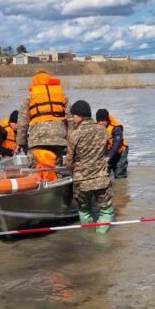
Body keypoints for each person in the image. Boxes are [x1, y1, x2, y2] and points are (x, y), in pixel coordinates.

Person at [65, 100, 114, 234]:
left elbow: (69, 160)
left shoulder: (75, 133)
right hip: (101, 178)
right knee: (106, 209)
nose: (72, 119)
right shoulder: (103, 130)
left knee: (84, 208)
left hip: (82, 180)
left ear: (79, 116)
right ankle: (101, 235)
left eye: (73, 116)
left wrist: (71, 170)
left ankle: (88, 234)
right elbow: (105, 150)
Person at [16, 71, 68, 160]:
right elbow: (71, 118)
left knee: (35, 170)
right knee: (54, 169)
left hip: (37, 139)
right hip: (59, 140)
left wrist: (21, 142)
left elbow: (22, 122)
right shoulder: (61, 94)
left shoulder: (31, 96)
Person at [96, 108, 128, 178]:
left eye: (102, 121)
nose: (100, 123)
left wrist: (108, 157)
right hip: (107, 151)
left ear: (107, 120)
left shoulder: (116, 128)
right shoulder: (96, 126)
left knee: (119, 173)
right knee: (104, 173)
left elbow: (117, 144)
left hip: (120, 151)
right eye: (98, 121)